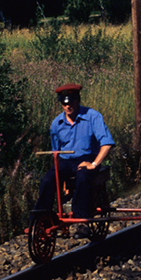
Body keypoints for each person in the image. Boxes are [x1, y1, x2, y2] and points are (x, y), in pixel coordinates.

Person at [33, 83, 115, 238]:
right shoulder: (56, 124)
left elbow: (107, 143)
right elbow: (55, 152)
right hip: (64, 160)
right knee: (48, 180)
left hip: (86, 158)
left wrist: (94, 164)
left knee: (83, 177)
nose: (68, 106)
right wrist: (60, 179)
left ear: (77, 100)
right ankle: (41, 220)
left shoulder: (92, 116)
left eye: (71, 102)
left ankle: (81, 221)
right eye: (64, 103)